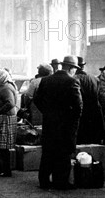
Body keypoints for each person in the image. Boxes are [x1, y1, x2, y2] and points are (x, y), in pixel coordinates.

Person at [34, 55, 83, 190]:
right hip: (65, 125)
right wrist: (72, 120)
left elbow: (37, 99)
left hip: (49, 122)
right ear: (71, 68)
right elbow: (78, 106)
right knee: (63, 153)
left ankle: (44, 181)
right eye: (75, 68)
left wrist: (47, 112)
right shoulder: (72, 82)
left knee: (48, 152)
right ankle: (61, 182)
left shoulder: (46, 80)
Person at [75, 56, 104, 145]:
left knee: (80, 142)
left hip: (80, 115)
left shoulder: (73, 79)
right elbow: (100, 96)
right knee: (93, 142)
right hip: (94, 114)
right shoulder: (94, 78)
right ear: (83, 66)